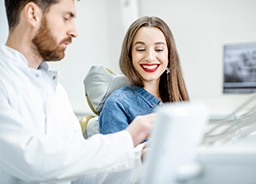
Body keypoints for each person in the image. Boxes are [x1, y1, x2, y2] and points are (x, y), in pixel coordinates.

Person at [0, 0, 155, 183]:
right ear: (33, 14)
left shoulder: (57, 92)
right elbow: (33, 160)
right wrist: (128, 138)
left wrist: (141, 158)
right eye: (66, 18)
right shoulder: (4, 80)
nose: (74, 31)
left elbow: (82, 174)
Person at [99, 16, 189, 135]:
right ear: (130, 55)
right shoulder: (117, 104)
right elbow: (115, 153)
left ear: (169, 55)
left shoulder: (177, 98)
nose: (150, 57)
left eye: (159, 49)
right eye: (141, 49)